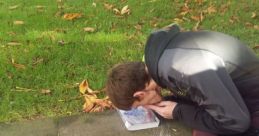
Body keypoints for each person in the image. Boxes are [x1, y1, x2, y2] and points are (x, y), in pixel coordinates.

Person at [106, 25, 259, 136]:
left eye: (142, 105)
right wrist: (174, 103)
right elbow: (198, 91)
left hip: (252, 99)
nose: (147, 108)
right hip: (236, 88)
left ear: (139, 94)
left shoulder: (184, 70)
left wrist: (177, 112)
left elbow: (236, 123)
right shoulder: (159, 60)